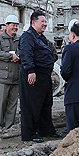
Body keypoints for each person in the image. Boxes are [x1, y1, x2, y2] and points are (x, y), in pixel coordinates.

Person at [18, 10, 61, 142]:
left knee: (45, 104)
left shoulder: (41, 37)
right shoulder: (27, 37)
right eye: (42, 21)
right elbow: (26, 54)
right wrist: (31, 71)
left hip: (44, 76)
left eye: (45, 21)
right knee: (32, 104)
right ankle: (29, 133)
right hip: (33, 75)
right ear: (33, 22)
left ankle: (46, 130)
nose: (45, 24)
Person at [0, 15, 21, 128]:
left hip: (15, 76)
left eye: (17, 25)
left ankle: (9, 125)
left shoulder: (19, 39)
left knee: (13, 103)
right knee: (0, 102)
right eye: (13, 25)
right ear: (7, 25)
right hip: (3, 77)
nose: (15, 27)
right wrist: (10, 56)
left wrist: (19, 56)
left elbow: (23, 51)